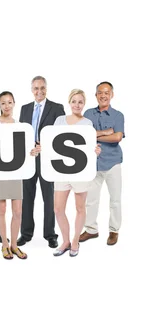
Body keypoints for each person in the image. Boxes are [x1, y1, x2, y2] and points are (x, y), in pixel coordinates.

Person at [0, 91, 40, 260]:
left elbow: (26, 149)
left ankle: (14, 245)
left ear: (14, 104)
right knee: (2, 209)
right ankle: (5, 244)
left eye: (9, 102)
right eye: (3, 103)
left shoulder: (20, 125)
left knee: (18, 211)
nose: (7, 106)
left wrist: (33, 151)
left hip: (16, 171)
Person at [52, 89, 102, 257]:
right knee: (58, 209)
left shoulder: (87, 123)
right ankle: (65, 240)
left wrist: (95, 151)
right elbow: (52, 142)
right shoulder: (59, 120)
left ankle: (75, 241)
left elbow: (89, 146)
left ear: (84, 104)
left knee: (80, 207)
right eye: (74, 101)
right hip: (61, 171)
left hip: (80, 171)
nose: (77, 105)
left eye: (80, 102)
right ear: (69, 102)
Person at [18, 76, 65, 248]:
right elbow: (21, 133)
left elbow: (60, 134)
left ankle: (50, 234)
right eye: (36, 88)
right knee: (27, 197)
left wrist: (44, 145)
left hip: (47, 159)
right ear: (32, 90)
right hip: (28, 159)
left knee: (49, 198)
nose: (39, 91)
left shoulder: (57, 108)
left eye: (42, 88)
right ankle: (26, 233)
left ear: (47, 89)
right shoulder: (24, 109)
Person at [79, 81, 125, 246]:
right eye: (100, 92)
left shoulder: (118, 115)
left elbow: (117, 137)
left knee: (115, 200)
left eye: (106, 92)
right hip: (92, 164)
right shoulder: (88, 114)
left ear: (111, 95)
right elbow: (83, 135)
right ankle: (91, 229)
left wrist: (94, 135)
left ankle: (114, 230)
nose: (103, 95)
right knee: (91, 199)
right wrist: (105, 132)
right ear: (96, 95)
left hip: (113, 162)